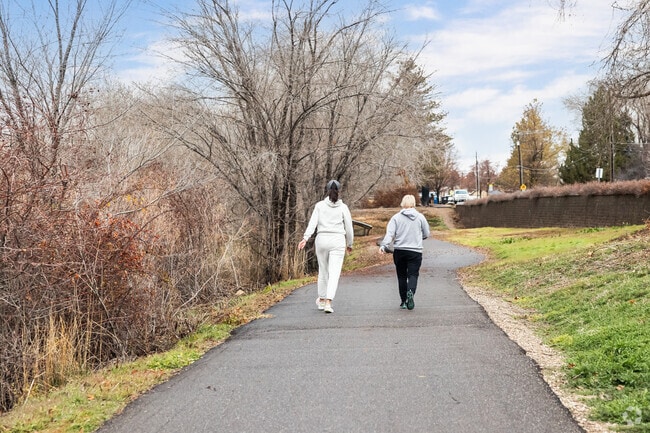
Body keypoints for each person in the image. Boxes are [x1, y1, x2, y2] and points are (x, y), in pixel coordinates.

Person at [298, 180, 354, 313]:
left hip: (321, 240)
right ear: (339, 191)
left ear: (327, 191)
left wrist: (305, 238)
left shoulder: (319, 206)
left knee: (323, 271)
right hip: (337, 240)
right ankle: (328, 302)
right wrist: (350, 243)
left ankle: (322, 300)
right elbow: (349, 228)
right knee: (334, 273)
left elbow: (313, 223)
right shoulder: (343, 207)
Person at [379, 194, 430, 310]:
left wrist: (384, 246)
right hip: (415, 252)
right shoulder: (420, 217)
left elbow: (390, 234)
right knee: (413, 274)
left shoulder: (396, 218)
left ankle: (403, 301)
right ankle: (410, 292)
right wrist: (418, 238)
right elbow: (426, 234)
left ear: (402, 203)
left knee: (401, 276)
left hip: (400, 251)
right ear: (414, 203)